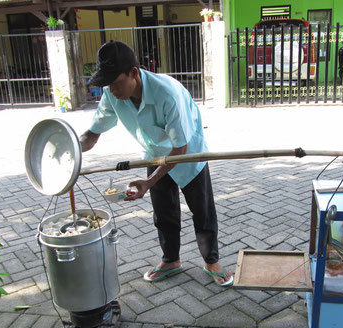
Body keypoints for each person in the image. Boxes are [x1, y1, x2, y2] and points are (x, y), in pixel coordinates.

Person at [79, 41, 233, 287]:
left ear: (134, 73)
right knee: (163, 213)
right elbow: (93, 133)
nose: (112, 90)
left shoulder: (166, 94)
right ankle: (171, 260)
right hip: (154, 153)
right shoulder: (112, 94)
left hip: (187, 153)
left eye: (116, 83)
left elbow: (179, 149)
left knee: (202, 211)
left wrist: (148, 182)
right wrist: (73, 149)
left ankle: (211, 261)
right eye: (107, 84)